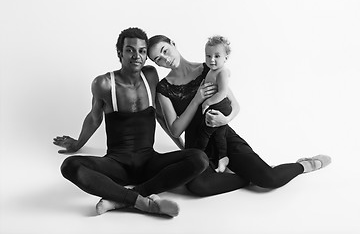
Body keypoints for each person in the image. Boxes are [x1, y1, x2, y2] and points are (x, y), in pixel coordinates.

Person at [147, 34, 331, 197]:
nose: (165, 59)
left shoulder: (209, 68)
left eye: (165, 51)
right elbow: (175, 129)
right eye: (158, 59)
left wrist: (225, 119)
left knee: (269, 179)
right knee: (198, 187)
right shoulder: (164, 88)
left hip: (223, 135)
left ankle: (306, 165)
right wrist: (196, 100)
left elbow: (235, 105)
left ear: (173, 44)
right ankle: (246, 178)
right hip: (197, 146)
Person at [53, 27, 208, 217]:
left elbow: (159, 116)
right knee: (70, 166)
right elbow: (94, 118)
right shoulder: (103, 83)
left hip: (149, 162)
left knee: (199, 158)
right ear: (120, 53)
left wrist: (182, 148)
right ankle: (143, 202)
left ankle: (123, 200)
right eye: (130, 50)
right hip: (117, 165)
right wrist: (77, 144)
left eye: (142, 51)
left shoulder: (150, 76)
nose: (137, 56)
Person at [188, 35, 233, 173]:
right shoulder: (212, 71)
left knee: (204, 133)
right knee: (219, 135)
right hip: (217, 105)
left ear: (226, 57)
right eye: (208, 56)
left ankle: (195, 157)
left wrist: (207, 102)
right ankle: (222, 157)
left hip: (220, 106)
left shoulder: (222, 72)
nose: (211, 59)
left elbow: (223, 92)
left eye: (217, 56)